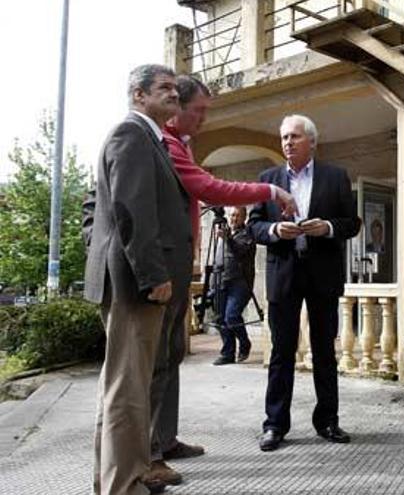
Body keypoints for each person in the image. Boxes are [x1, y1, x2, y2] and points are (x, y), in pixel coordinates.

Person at [143, 75, 298, 487]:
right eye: (199, 110)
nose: (205, 118)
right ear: (175, 107)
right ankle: (148, 454)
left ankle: (165, 439)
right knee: (153, 365)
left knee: (171, 358)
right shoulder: (155, 142)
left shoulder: (178, 145)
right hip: (157, 272)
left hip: (179, 270)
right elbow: (208, 187)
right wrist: (268, 189)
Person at [84, 64, 188, 495]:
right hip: (136, 287)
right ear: (138, 95)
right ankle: (124, 486)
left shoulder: (151, 139)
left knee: (122, 388)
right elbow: (131, 210)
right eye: (164, 88)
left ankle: (115, 478)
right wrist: (152, 275)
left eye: (175, 89)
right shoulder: (132, 134)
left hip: (131, 282)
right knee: (129, 392)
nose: (174, 95)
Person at [248, 114, 360, 451]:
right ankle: (275, 425)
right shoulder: (268, 180)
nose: (287, 143)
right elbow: (253, 225)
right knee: (281, 353)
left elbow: (351, 223)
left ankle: (328, 421)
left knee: (325, 351)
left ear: (312, 141)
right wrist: (273, 231)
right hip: (283, 273)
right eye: (284, 137)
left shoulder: (335, 177)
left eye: (294, 136)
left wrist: (326, 227)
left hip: (322, 274)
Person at [213, 206, 256, 365]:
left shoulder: (247, 234)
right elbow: (217, 256)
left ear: (244, 217)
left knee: (231, 316)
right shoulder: (223, 232)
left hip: (240, 283)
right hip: (221, 280)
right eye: (231, 215)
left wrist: (228, 238)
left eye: (238, 216)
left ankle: (244, 343)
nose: (233, 219)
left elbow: (239, 251)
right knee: (219, 319)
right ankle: (227, 353)